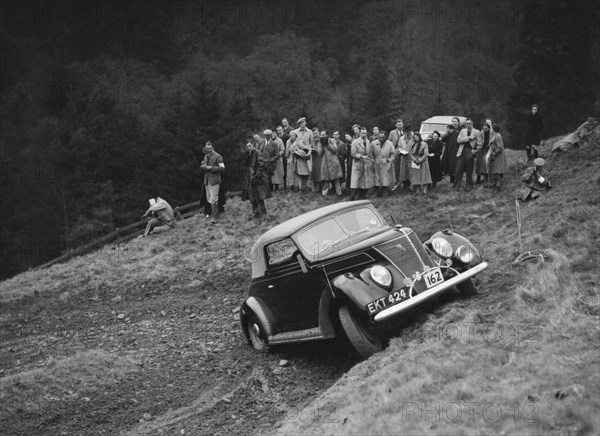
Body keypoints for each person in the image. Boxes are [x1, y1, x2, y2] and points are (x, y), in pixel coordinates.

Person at [241, 141, 271, 218]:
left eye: (250, 146)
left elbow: (261, 164)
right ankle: (256, 213)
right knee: (252, 196)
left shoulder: (257, 153)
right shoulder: (247, 155)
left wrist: (257, 175)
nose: (248, 147)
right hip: (249, 178)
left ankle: (263, 215)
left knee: (259, 197)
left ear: (253, 145)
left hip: (257, 178)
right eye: (247, 146)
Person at [201, 141, 225, 222]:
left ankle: (215, 217)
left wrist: (210, 168)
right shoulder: (206, 156)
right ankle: (212, 214)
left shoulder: (218, 156)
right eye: (207, 149)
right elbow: (205, 165)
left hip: (214, 180)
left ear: (213, 148)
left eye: (210, 148)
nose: (209, 150)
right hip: (207, 180)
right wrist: (203, 165)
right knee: (209, 199)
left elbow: (222, 168)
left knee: (214, 199)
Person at [453, 119, 480, 191]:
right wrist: (468, 138)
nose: (468, 125)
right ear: (465, 124)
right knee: (459, 170)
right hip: (461, 151)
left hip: (470, 151)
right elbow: (458, 140)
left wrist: (475, 151)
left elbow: (480, 143)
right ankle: (456, 187)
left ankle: (469, 186)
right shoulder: (462, 131)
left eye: (470, 123)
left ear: (472, 124)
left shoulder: (477, 132)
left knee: (469, 170)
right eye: (467, 124)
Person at [350, 127, 374, 200]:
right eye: (362, 133)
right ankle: (352, 198)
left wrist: (371, 158)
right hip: (358, 164)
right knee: (356, 182)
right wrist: (361, 156)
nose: (364, 134)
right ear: (360, 133)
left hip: (366, 164)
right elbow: (353, 153)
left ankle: (362, 196)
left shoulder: (367, 141)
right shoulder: (355, 142)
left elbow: (369, 152)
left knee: (365, 181)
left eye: (365, 133)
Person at [319, 130, 344, 196]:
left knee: (336, 179)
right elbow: (320, 153)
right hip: (325, 163)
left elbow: (335, 150)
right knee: (326, 179)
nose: (323, 136)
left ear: (327, 135)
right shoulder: (320, 142)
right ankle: (324, 194)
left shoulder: (332, 140)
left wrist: (328, 144)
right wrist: (321, 145)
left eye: (324, 135)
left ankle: (339, 193)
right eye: (321, 135)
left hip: (333, 162)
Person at [389, 119, 411, 191]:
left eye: (401, 125)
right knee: (396, 170)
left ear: (403, 125)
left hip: (406, 155)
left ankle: (406, 186)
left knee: (405, 170)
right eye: (398, 125)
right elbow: (389, 143)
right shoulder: (392, 133)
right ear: (396, 125)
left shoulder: (407, 133)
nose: (400, 126)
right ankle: (395, 186)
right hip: (396, 154)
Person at [372, 130, 396, 197]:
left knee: (385, 177)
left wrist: (389, 160)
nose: (381, 139)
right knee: (376, 177)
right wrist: (373, 160)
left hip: (386, 162)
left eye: (382, 137)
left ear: (386, 136)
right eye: (379, 137)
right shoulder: (374, 143)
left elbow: (393, 154)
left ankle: (384, 190)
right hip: (377, 162)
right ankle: (376, 191)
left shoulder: (390, 144)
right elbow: (370, 153)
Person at [487, 124, 507, 191]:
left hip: (498, 156)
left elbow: (500, 148)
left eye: (491, 128)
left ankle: (497, 187)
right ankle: (495, 186)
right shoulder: (495, 135)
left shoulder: (498, 136)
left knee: (497, 171)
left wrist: (493, 154)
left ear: (494, 129)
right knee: (495, 171)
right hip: (496, 155)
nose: (491, 129)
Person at [475, 120, 492, 186]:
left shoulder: (491, 134)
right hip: (481, 150)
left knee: (486, 164)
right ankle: (478, 178)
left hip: (488, 150)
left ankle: (486, 179)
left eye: (486, 129)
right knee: (479, 164)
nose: (485, 130)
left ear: (489, 128)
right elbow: (478, 141)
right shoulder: (481, 133)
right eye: (483, 129)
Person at [310, 127, 323, 193]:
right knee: (315, 172)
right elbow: (311, 147)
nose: (315, 135)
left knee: (320, 172)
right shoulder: (312, 140)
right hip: (314, 158)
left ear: (319, 133)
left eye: (316, 133)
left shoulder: (322, 140)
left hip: (321, 158)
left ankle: (321, 187)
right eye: (314, 133)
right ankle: (316, 187)